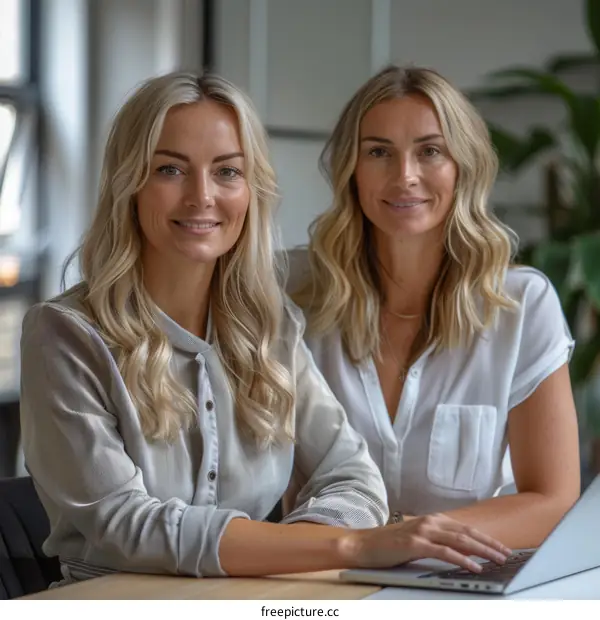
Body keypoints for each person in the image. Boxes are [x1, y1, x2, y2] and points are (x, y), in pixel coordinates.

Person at [19, 71, 510, 586]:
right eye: (169, 169)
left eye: (227, 172)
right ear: (129, 184)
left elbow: (354, 476)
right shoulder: (64, 335)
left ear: (251, 189)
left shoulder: (270, 327)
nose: (201, 196)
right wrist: (347, 545)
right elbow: (126, 525)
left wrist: (293, 555)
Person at [289, 65, 581, 550]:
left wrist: (406, 540)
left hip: (459, 580)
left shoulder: (521, 305)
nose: (405, 176)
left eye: (430, 151)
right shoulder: (295, 295)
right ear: (351, 171)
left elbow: (551, 499)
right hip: (319, 578)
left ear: (461, 166)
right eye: (379, 152)